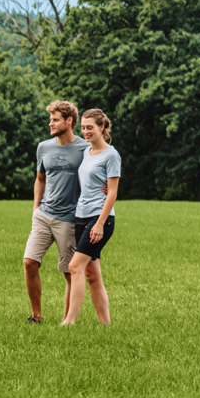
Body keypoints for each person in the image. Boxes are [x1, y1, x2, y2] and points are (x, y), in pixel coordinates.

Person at [24, 100, 107, 324]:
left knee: (70, 273)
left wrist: (105, 187)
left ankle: (66, 321)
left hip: (70, 219)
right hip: (44, 215)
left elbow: (99, 171)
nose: (50, 123)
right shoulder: (43, 147)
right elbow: (40, 179)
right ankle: (36, 316)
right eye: (50, 119)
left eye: (55, 120)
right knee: (29, 262)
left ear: (69, 121)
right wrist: (36, 207)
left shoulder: (85, 148)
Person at [63, 108, 121, 325]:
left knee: (75, 266)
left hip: (100, 219)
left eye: (90, 128)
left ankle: (69, 321)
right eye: (83, 128)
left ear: (102, 127)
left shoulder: (111, 155)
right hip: (81, 216)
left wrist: (99, 224)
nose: (85, 132)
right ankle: (106, 324)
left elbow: (112, 192)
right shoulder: (87, 152)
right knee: (92, 274)